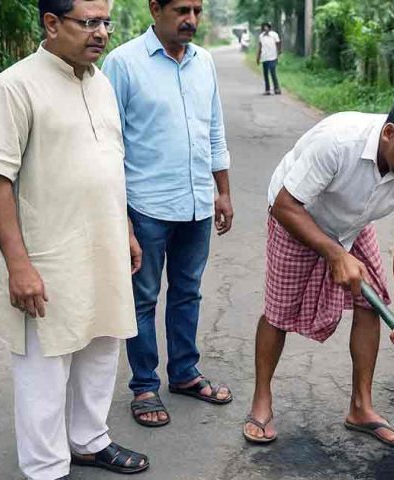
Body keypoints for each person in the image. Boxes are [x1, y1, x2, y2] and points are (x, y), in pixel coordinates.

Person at [0, 0, 149, 478]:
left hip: (104, 247)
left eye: (105, 22)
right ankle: (45, 467)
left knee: (103, 344)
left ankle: (88, 440)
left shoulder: (101, 83)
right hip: (49, 255)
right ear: (52, 23)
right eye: (89, 23)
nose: (102, 32)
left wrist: (124, 230)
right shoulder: (15, 85)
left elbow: (110, 166)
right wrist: (18, 264)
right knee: (45, 363)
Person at [243, 97, 394, 446]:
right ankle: (262, 400)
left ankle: (360, 408)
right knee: (279, 311)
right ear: (389, 133)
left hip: (352, 221)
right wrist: (334, 254)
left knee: (373, 301)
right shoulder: (338, 141)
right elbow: (286, 206)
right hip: (297, 214)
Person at [102, 0, 235, 428]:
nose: (191, 20)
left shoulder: (205, 62)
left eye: (197, 10)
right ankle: (144, 385)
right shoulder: (123, 63)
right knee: (142, 298)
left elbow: (214, 128)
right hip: (146, 206)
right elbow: (109, 144)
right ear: (155, 8)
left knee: (187, 291)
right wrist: (120, 218)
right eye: (181, 9)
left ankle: (184, 373)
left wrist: (223, 191)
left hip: (197, 203)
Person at [256, 22, 281, 95]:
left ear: (269, 28)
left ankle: (276, 89)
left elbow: (278, 43)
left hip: (273, 57)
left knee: (273, 73)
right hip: (264, 57)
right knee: (265, 74)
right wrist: (258, 57)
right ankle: (267, 90)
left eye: (266, 27)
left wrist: (279, 52)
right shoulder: (261, 36)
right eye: (264, 27)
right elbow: (260, 47)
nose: (265, 28)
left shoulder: (274, 35)